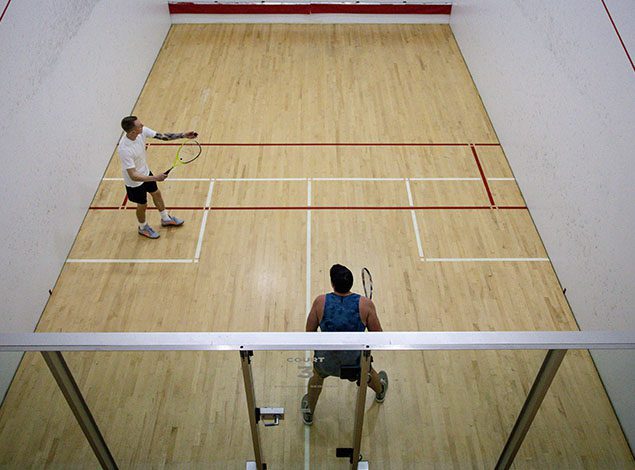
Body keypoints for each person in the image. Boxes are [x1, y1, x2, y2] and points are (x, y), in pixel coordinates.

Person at [301, 264, 388, 426]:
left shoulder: (320, 302)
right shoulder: (365, 304)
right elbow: (379, 337)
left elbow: (309, 332)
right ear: (352, 283)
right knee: (367, 370)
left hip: (326, 361)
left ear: (333, 284)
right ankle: (380, 391)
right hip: (355, 362)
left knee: (317, 376)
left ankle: (309, 411)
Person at [118, 116, 198, 239]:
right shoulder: (125, 149)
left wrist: (183, 135)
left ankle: (165, 218)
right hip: (134, 182)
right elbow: (133, 175)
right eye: (139, 125)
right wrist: (155, 178)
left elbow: (162, 136)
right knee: (142, 205)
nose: (142, 125)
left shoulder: (142, 132)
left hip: (145, 171)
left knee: (156, 193)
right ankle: (142, 227)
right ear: (133, 131)